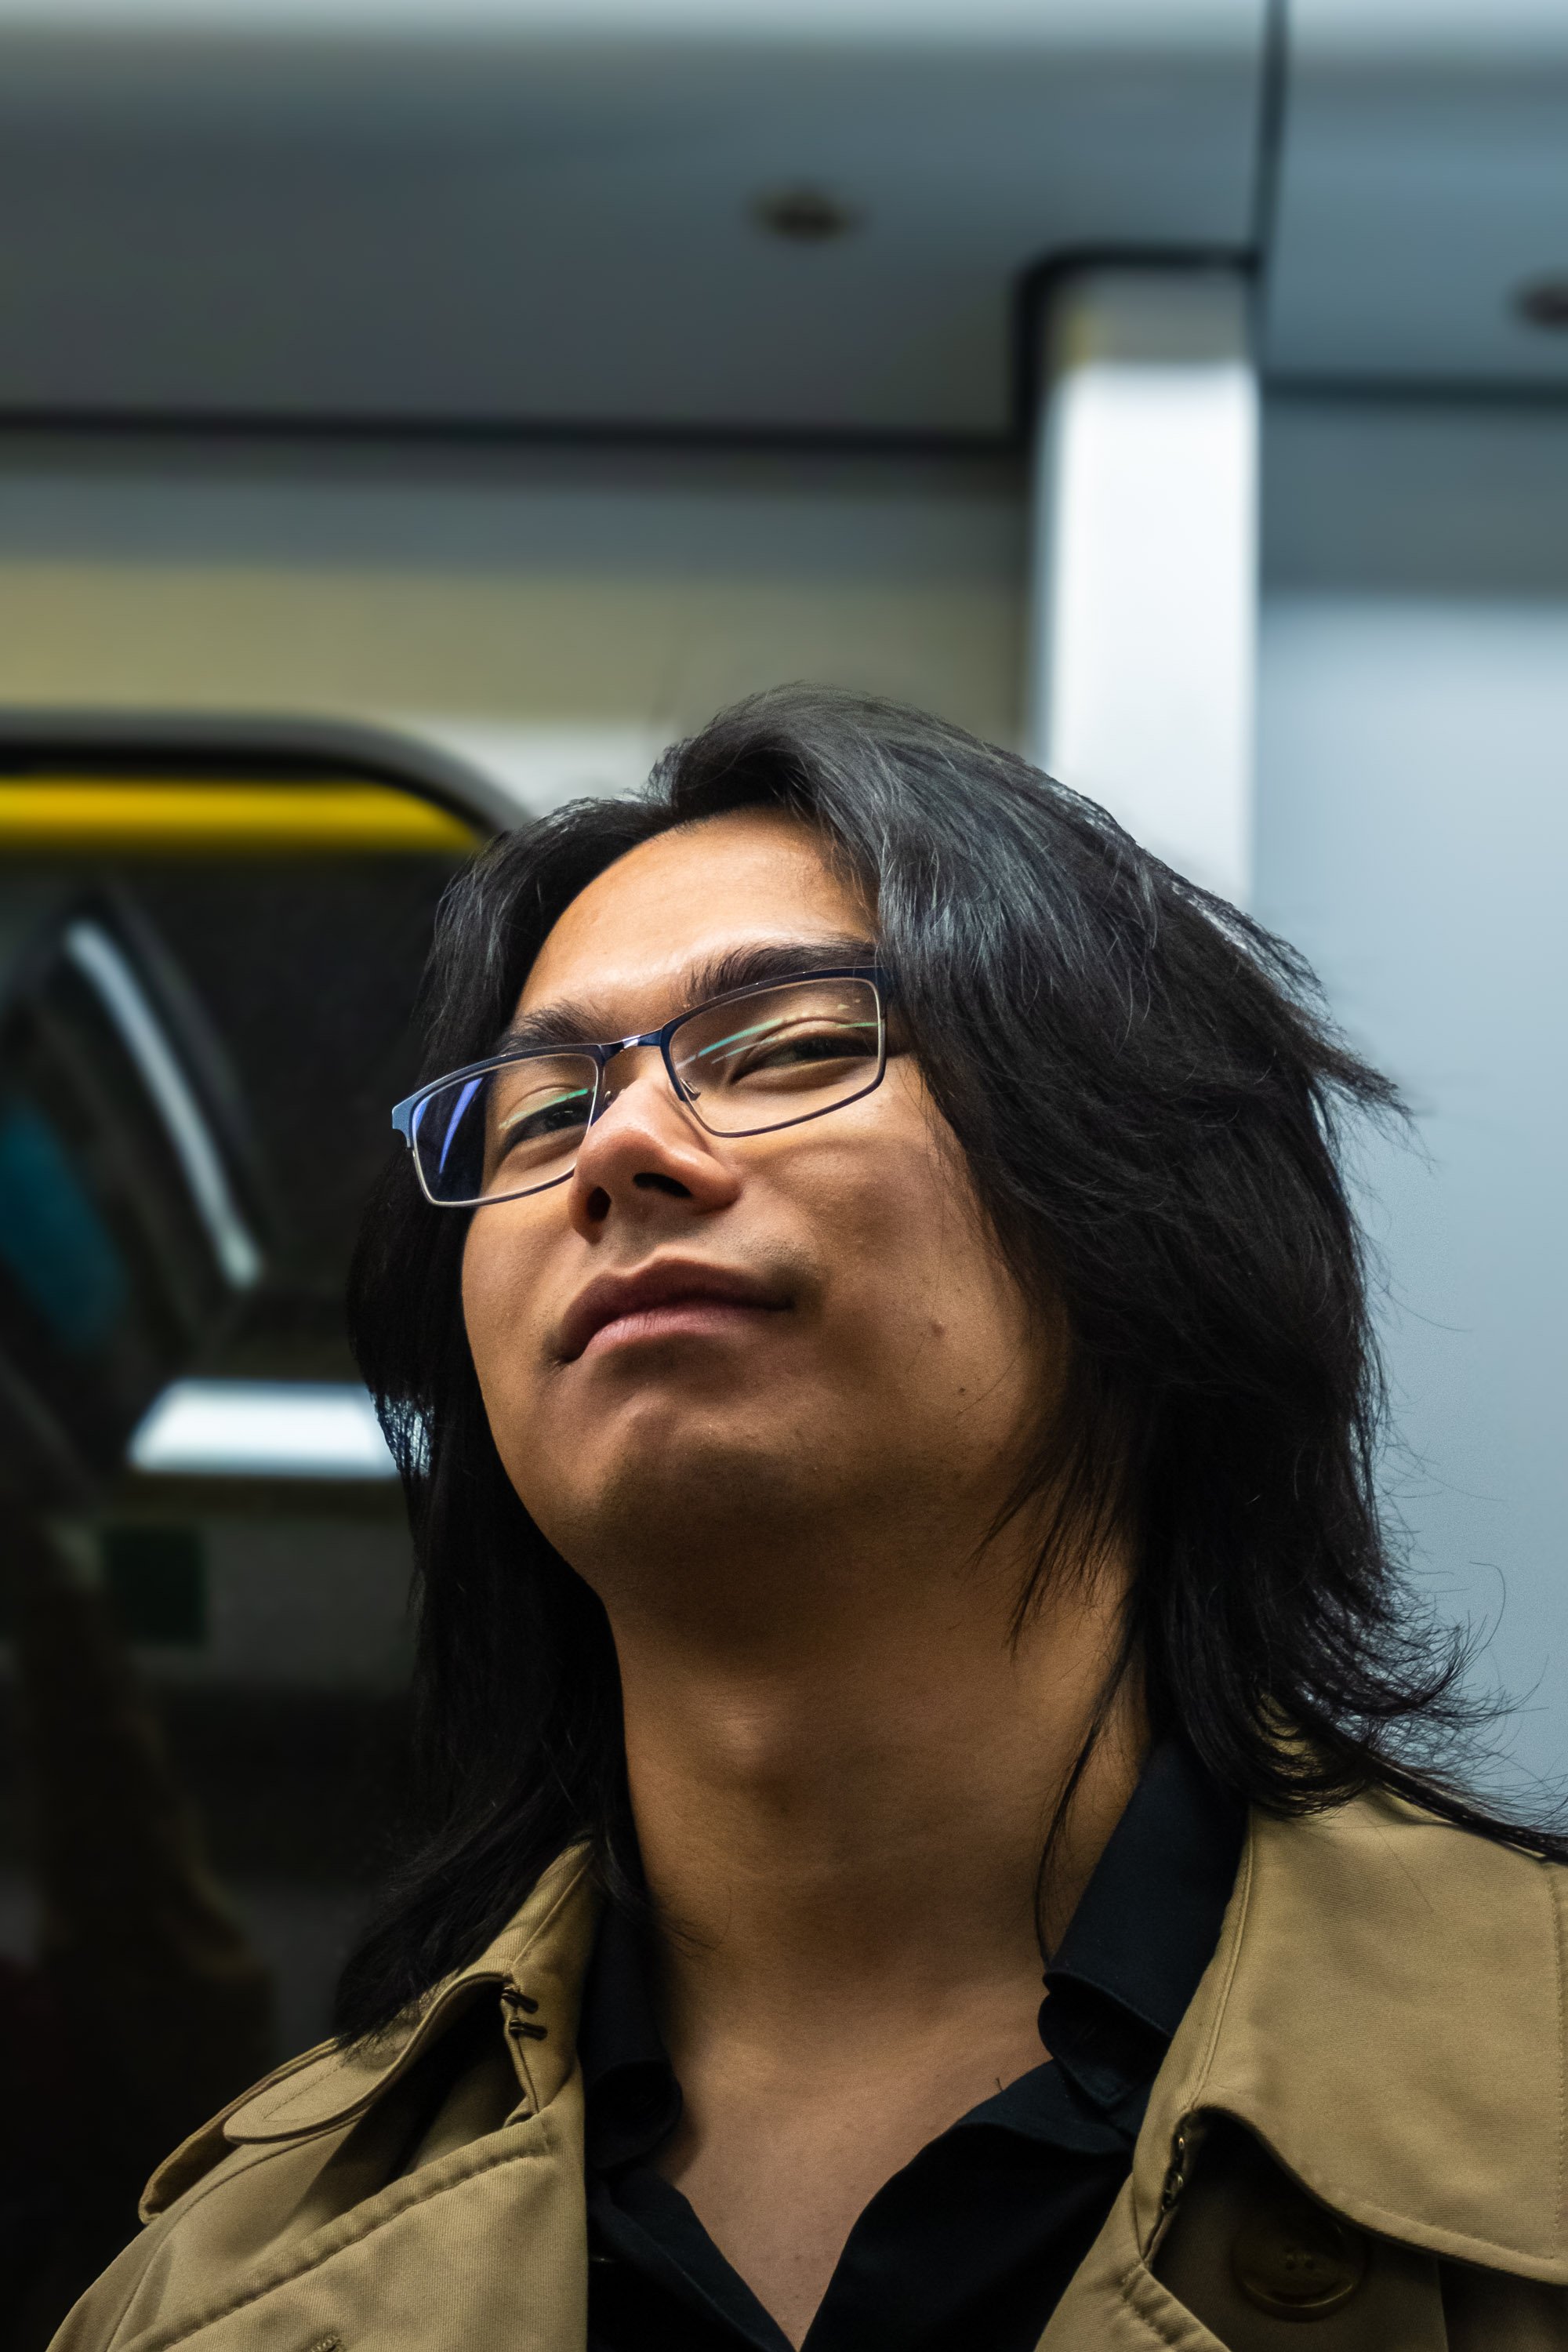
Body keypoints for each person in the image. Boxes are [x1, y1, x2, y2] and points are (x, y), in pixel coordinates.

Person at [53, 688, 1568, 2351]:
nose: (619, 1151)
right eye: (541, 1112)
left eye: (783, 1045)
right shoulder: (216, 2295)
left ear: (1140, 1216)